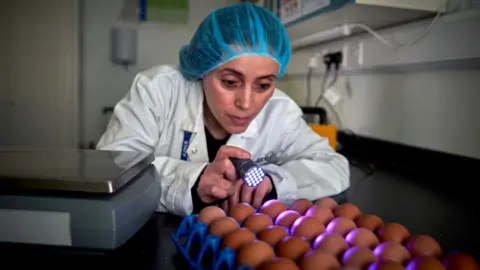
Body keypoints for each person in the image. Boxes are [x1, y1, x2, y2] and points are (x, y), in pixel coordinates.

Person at [96, 2, 350, 216]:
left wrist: (274, 183)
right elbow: (113, 165)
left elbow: (333, 166)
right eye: (230, 82)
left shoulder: (279, 112)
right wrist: (192, 182)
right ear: (203, 69)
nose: (246, 103)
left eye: (263, 85)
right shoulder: (159, 90)